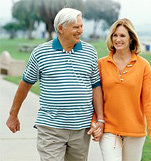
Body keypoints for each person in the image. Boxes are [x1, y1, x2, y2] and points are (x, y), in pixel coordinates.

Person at [6, 8, 104, 161]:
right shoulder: (40, 53)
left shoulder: (90, 52)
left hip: (81, 128)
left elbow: (96, 86)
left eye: (81, 26)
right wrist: (13, 115)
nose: (80, 31)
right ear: (61, 28)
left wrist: (100, 119)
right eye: (76, 27)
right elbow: (25, 84)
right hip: (50, 128)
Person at [94, 18, 151, 161]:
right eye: (115, 35)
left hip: (135, 131)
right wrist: (95, 121)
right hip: (109, 130)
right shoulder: (101, 64)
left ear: (131, 38)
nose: (118, 39)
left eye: (122, 35)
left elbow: (150, 101)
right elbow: (95, 95)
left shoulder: (143, 65)